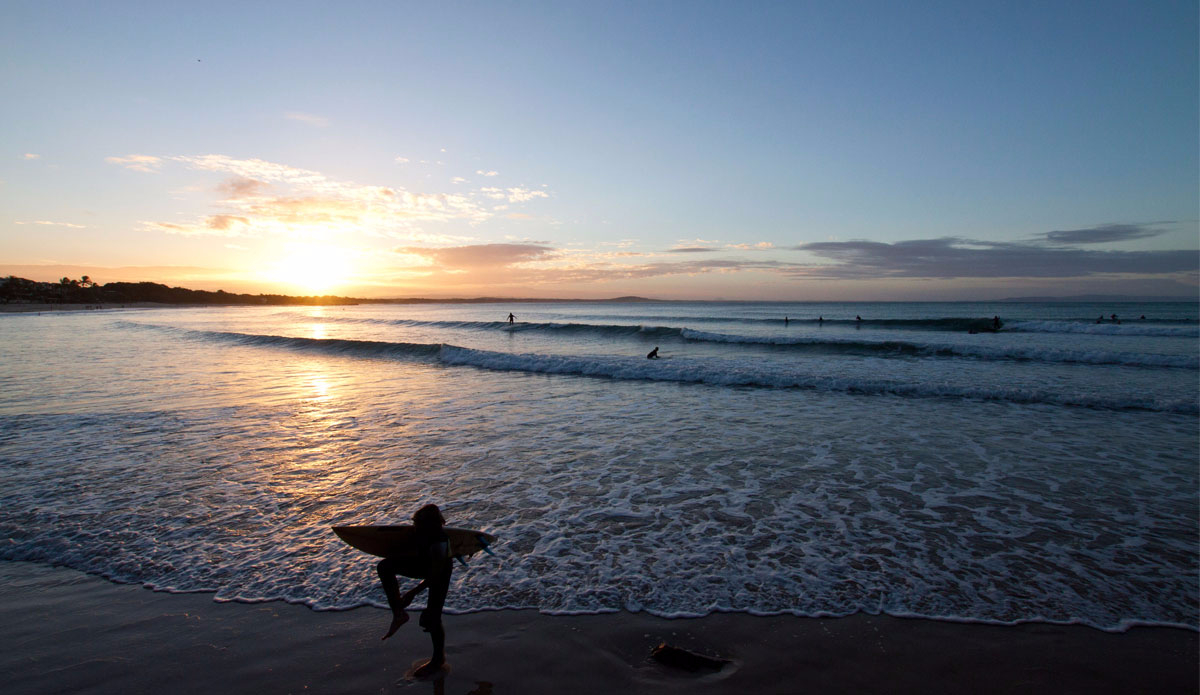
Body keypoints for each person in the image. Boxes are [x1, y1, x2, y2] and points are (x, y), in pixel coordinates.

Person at [377, 504, 453, 677]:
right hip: (424, 563)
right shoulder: (421, 533)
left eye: (419, 525)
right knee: (384, 567)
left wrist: (412, 593)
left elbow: (435, 575)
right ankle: (398, 614)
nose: (415, 528)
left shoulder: (440, 543)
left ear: (430, 526)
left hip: (440, 572)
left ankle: (438, 659)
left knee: (431, 617)